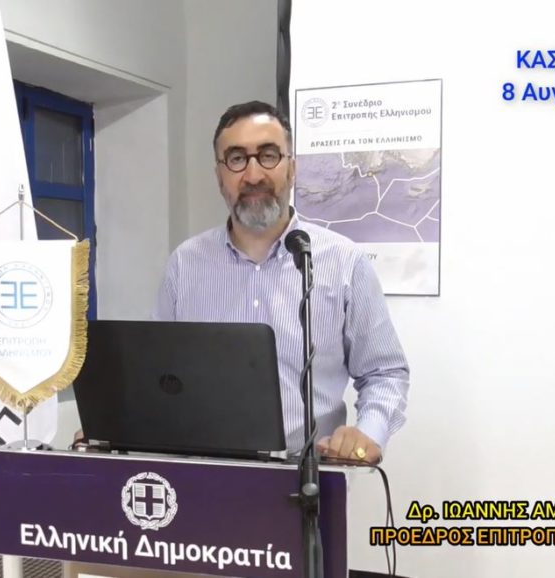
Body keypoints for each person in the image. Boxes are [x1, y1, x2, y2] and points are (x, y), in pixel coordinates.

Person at [153, 100, 410, 464]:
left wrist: (368, 433)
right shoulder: (185, 264)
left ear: (292, 168)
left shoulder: (343, 262)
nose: (253, 174)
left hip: (308, 476)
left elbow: (384, 372)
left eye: (268, 155)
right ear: (219, 175)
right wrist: (113, 431)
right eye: (236, 158)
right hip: (204, 474)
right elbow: (160, 375)